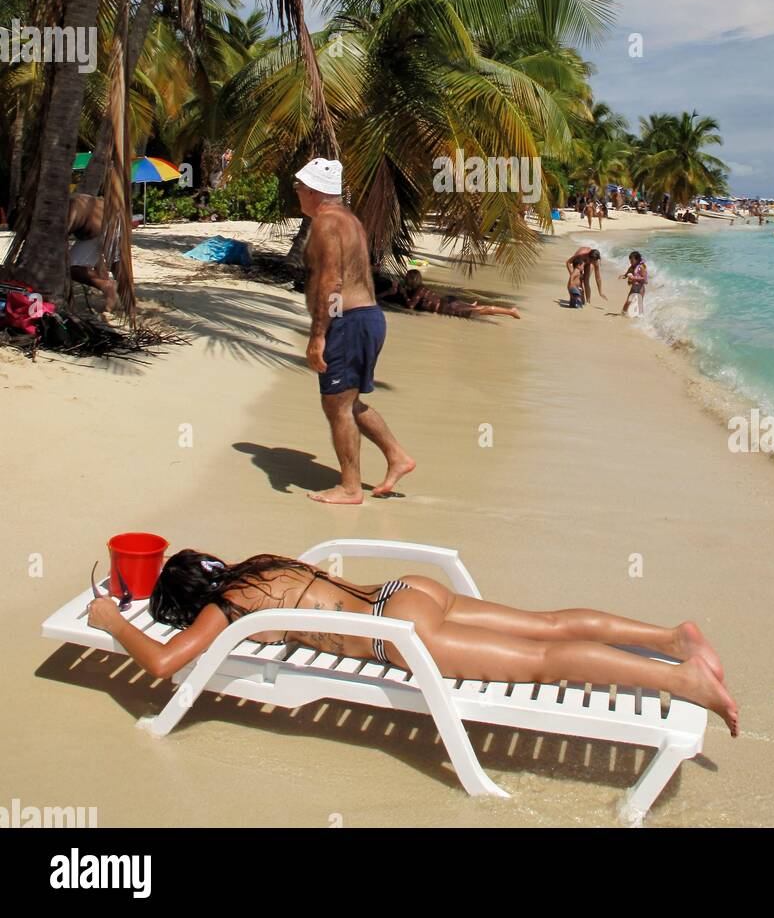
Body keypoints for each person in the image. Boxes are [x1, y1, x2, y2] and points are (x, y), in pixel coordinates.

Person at [85, 548, 739, 735]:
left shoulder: (227, 607)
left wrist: (114, 623)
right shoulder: (262, 566)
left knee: (543, 661)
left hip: (395, 636)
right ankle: (670, 637)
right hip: (407, 589)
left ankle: (680, 681)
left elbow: (167, 663)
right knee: (545, 625)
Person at [296, 157, 414, 505]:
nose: (298, 192)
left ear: (315, 190)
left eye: (301, 186)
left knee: (338, 407)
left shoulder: (326, 223)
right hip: (366, 318)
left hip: (348, 322)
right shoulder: (349, 220)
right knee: (347, 401)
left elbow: (332, 281)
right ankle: (397, 456)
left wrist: (319, 334)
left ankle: (350, 488)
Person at [66, 192, 118, 311]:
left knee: (71, 267)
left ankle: (107, 287)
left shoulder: (67, 208)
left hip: (101, 224)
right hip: (98, 223)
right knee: (77, 265)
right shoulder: (74, 203)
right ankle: (111, 291)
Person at [398, 269, 520, 320]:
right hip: (449, 301)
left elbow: (410, 306)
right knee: (476, 308)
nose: (405, 280)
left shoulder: (419, 291)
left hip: (449, 307)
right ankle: (469, 304)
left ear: (411, 280)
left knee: (482, 310)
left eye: (407, 278)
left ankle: (510, 311)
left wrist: (403, 294)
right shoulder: (422, 288)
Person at [620, 251, 648, 316]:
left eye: (632, 261)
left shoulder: (641, 267)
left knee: (639, 302)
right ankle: (623, 313)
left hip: (641, 288)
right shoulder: (632, 267)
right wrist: (623, 276)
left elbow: (644, 279)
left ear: (637, 260)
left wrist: (634, 278)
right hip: (634, 287)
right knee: (628, 301)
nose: (630, 262)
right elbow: (627, 274)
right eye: (630, 261)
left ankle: (640, 316)